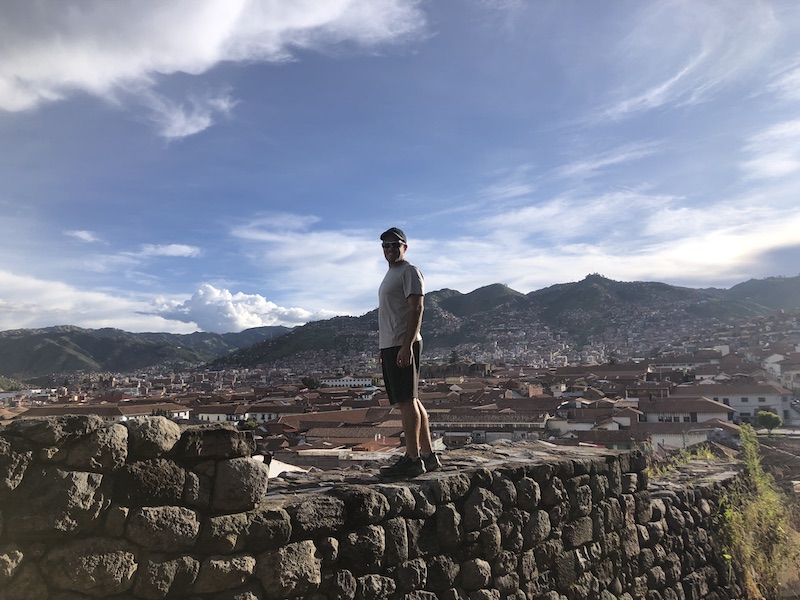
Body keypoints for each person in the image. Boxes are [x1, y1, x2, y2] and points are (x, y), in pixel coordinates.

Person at [377, 227, 440, 477]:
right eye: (385, 245)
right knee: (411, 399)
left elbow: (417, 309)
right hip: (392, 343)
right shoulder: (390, 275)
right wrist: (385, 346)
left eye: (395, 244)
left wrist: (406, 345)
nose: (390, 249)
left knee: (406, 401)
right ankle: (427, 455)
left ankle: (412, 459)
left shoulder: (410, 271)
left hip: (403, 343)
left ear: (405, 247)